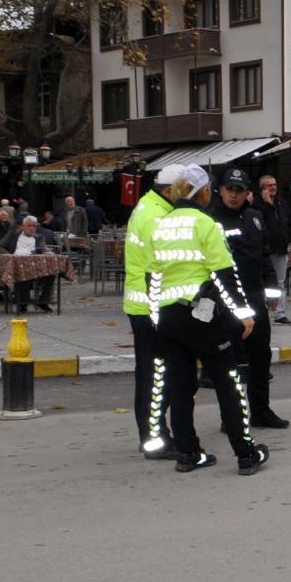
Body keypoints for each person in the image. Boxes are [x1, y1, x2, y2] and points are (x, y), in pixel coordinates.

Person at [147, 164, 269, 475]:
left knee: (181, 386)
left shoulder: (161, 226)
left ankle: (189, 453)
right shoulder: (206, 225)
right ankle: (246, 454)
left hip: (168, 316)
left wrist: (155, 316)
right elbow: (226, 275)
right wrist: (244, 314)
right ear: (203, 193)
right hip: (200, 315)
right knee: (228, 382)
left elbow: (153, 277)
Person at [211, 168, 288, 429]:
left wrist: (272, 291)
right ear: (221, 190)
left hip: (255, 298)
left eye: (239, 190)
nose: (233, 195)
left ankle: (261, 411)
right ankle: (231, 417)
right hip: (225, 300)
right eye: (229, 189)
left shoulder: (254, 217)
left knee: (260, 358)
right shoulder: (210, 219)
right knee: (230, 362)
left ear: (247, 193)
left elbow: (265, 255)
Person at [123, 164, 181, 460]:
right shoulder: (156, 217)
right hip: (152, 306)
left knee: (150, 373)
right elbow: (158, 267)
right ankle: (154, 439)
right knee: (156, 375)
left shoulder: (150, 207)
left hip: (143, 304)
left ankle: (152, 435)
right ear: (170, 189)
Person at [256, 174, 291, 325]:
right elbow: (257, 222)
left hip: (280, 249)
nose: (273, 187)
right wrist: (267, 205)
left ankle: (279, 314)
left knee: (280, 283)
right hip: (263, 251)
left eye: (274, 184)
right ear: (262, 188)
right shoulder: (256, 204)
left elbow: (289, 223)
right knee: (261, 282)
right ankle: (262, 312)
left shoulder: (281, 203)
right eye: (269, 185)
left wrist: (288, 237)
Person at [0, 215, 54, 312]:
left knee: (52, 272)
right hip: (16, 265)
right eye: (29, 226)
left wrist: (46, 253)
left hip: (35, 267)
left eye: (34, 226)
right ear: (23, 226)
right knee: (22, 270)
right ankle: (23, 302)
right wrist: (10, 255)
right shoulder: (13, 234)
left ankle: (43, 301)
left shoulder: (39, 238)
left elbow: (43, 250)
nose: (32, 228)